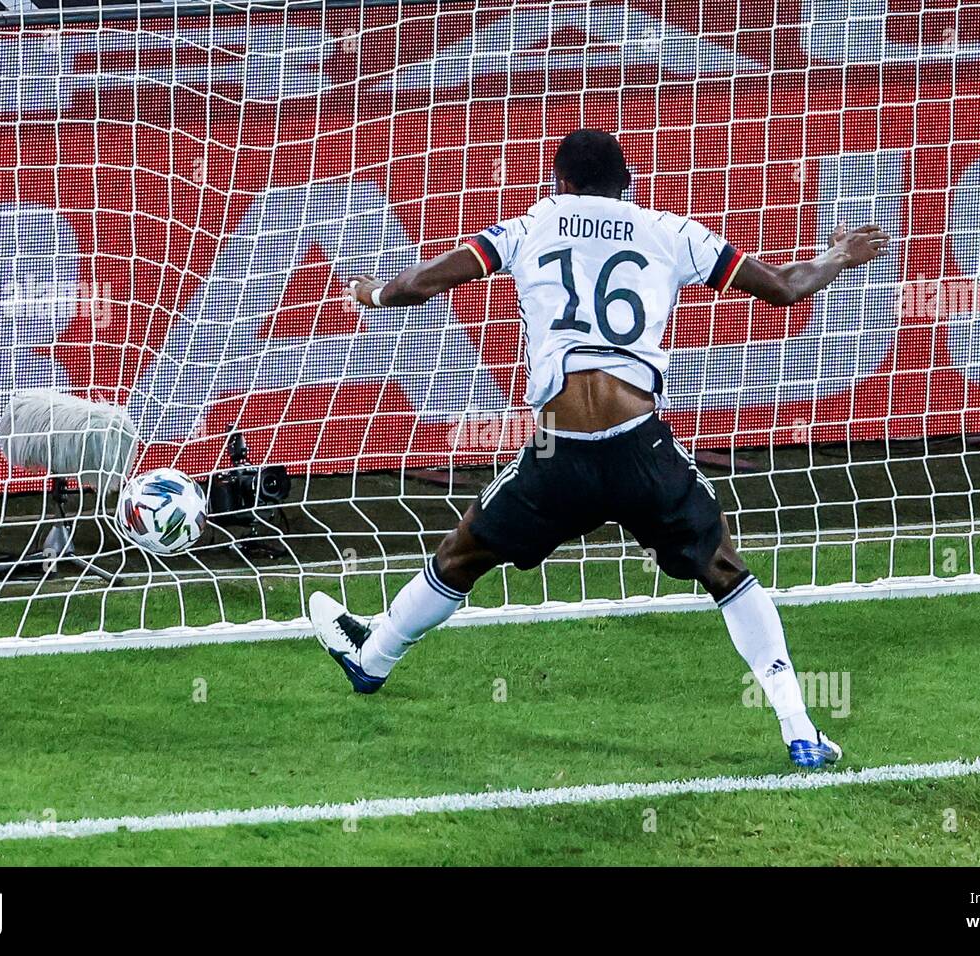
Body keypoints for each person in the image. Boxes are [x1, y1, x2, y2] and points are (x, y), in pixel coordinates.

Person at [310, 129, 889, 768]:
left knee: (465, 550)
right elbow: (783, 286)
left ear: (558, 183)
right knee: (725, 569)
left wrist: (368, 293)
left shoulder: (532, 225)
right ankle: (799, 726)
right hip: (641, 447)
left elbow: (424, 282)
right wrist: (839, 255)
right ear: (629, 182)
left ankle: (374, 657)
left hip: (560, 454)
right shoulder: (672, 232)